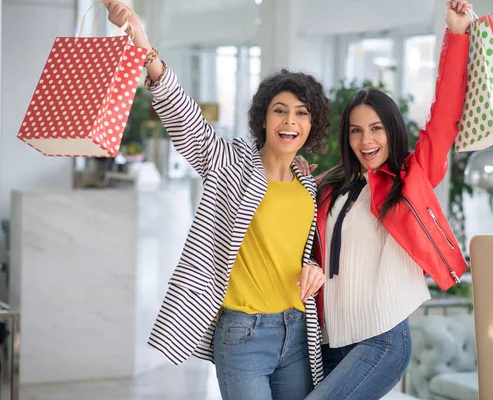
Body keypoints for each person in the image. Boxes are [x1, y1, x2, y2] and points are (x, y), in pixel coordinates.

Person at [102, 2, 329, 399]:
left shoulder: (308, 184)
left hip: (297, 333)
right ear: (263, 119)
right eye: (280, 111)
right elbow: (184, 118)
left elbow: (303, 252)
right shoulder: (231, 162)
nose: (290, 121)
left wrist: (314, 267)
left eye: (301, 113)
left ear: (312, 125)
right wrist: (142, 41)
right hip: (243, 334)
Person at [294, 1, 473, 398]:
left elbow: (444, 116)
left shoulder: (410, 179)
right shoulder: (330, 184)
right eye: (356, 131)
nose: (366, 140)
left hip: (382, 339)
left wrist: (456, 36)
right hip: (329, 340)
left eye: (376, 128)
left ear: (392, 130)